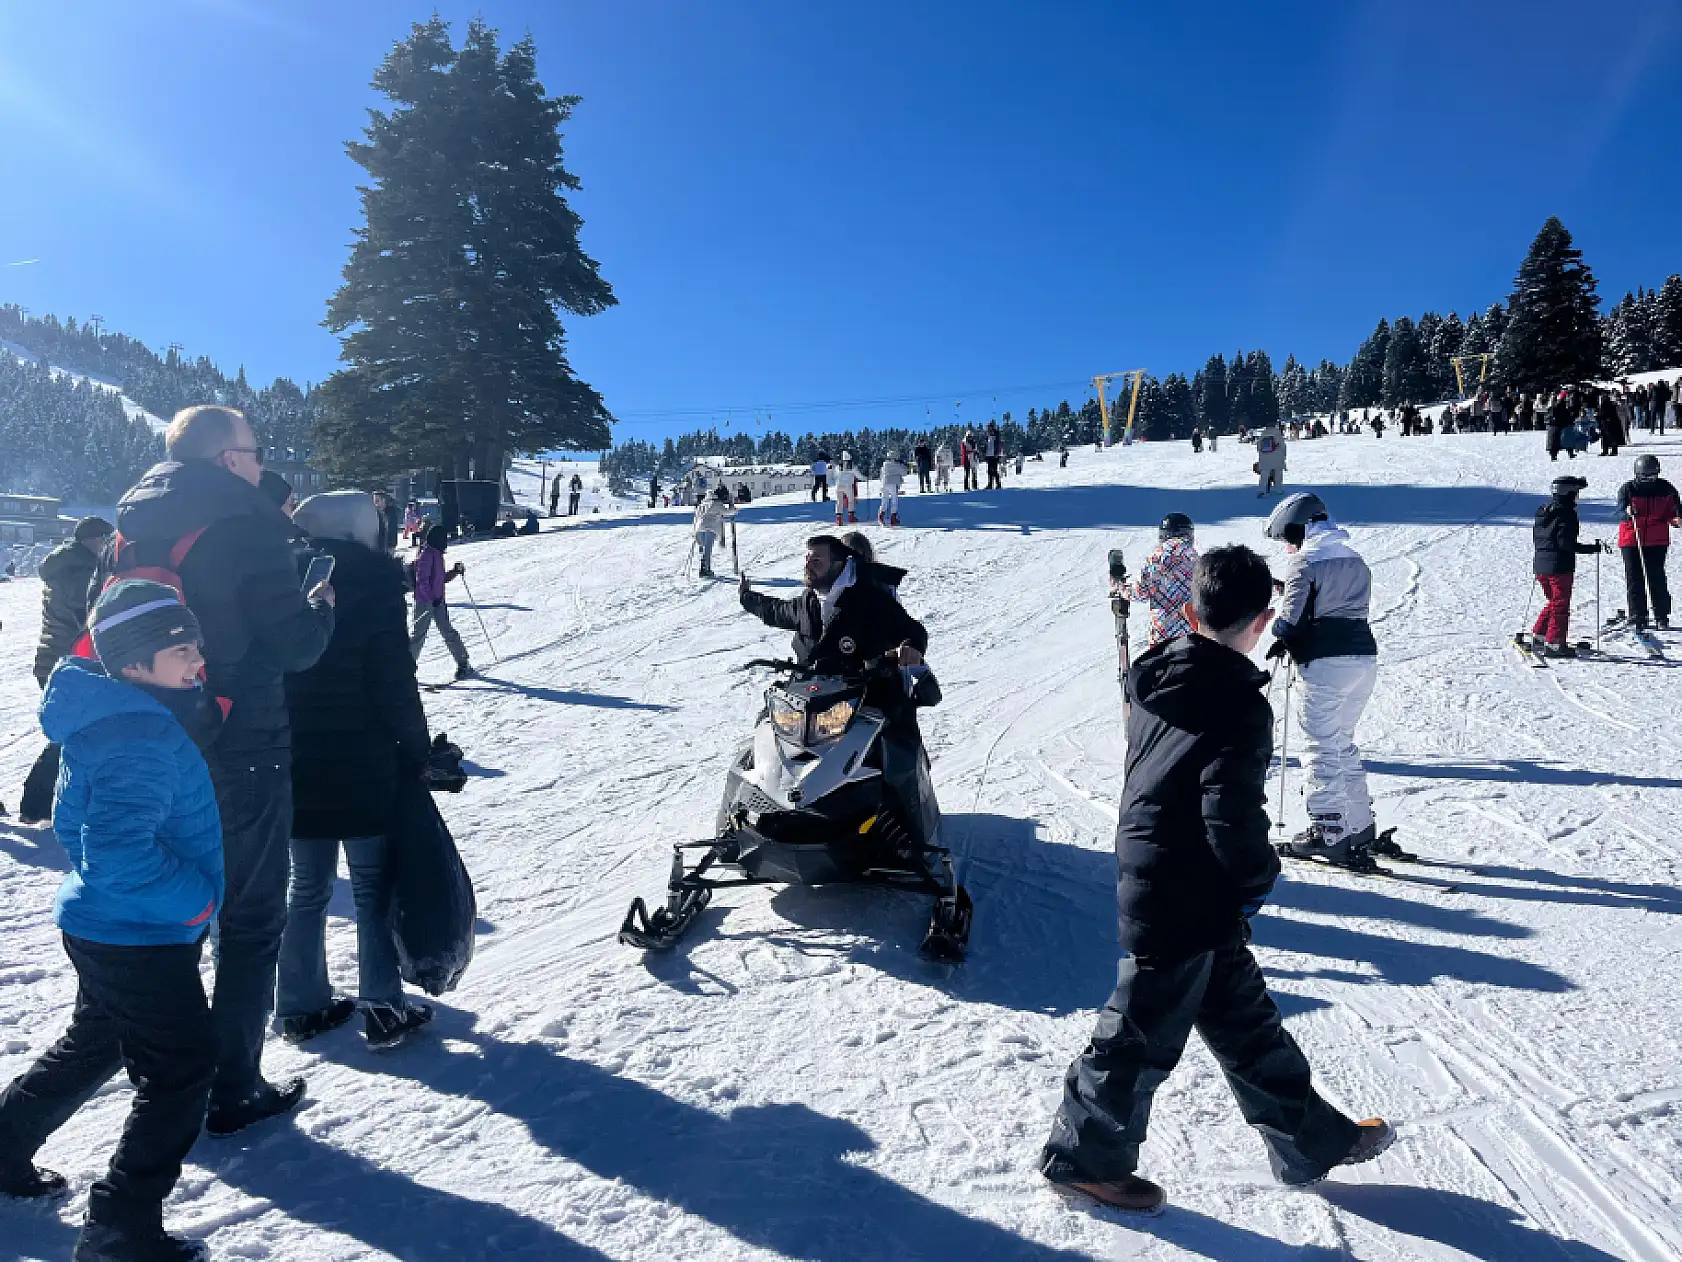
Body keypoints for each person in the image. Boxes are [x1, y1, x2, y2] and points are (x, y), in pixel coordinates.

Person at [1040, 546, 1392, 1214]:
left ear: (1189, 608)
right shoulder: (1235, 700)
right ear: (1263, 620)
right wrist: (1257, 876)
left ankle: (1309, 1141)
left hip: (1161, 871)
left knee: (1244, 1020)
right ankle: (1082, 1159)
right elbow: (1228, 814)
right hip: (1181, 887)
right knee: (1138, 1033)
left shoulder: (1157, 674)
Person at [106, 404, 334, 1137]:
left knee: (174, 914)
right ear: (229, 458)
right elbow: (293, 644)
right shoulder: (248, 519)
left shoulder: (132, 523)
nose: (264, 463)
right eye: (256, 450)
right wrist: (320, 608)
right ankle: (232, 1086)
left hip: (157, 738)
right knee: (252, 917)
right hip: (245, 742)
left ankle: (165, 1079)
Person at [0, 580, 224, 1261]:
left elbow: (93, 834)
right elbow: (121, 851)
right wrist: (194, 898)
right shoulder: (138, 732)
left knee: (96, 1042)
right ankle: (121, 1230)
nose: (196, 662)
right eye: (181, 650)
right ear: (132, 662)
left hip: (109, 923)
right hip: (141, 931)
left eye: (196, 647)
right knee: (182, 1067)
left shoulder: (111, 711)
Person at [278, 493, 435, 1050]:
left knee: (306, 888)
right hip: (362, 758)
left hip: (291, 756)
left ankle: (297, 1004)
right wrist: (420, 749)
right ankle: (382, 1008)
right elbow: (394, 679)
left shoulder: (280, 576)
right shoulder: (373, 582)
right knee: (371, 887)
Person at [738, 536, 932, 840]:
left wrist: (910, 647)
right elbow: (778, 611)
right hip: (811, 691)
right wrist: (748, 598)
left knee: (896, 740)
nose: (809, 565)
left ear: (840, 563)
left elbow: (910, 630)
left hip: (865, 688)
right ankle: (745, 817)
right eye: (807, 559)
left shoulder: (869, 599)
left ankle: (912, 832)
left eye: (817, 560)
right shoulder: (809, 600)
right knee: (767, 724)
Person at [1265, 494, 1382, 866]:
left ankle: (1329, 831)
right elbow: (1338, 605)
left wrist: (1279, 635)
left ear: (1299, 529)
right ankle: (1360, 825)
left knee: (1318, 745)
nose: (1287, 545)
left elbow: (1292, 621)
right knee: (1341, 742)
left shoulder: (1304, 562)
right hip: (1362, 658)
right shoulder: (1355, 559)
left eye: (1287, 536)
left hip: (1325, 662)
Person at [19, 516, 114, 824]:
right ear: (94, 540)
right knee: (70, 732)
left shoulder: (69, 564)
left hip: (56, 660)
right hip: (67, 663)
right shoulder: (79, 570)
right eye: (106, 540)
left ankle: (44, 801)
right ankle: (36, 803)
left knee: (74, 729)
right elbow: (91, 617)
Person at [1530, 475, 1602, 657]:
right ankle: (1554, 643)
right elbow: (1566, 543)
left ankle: (1539, 634)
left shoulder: (1543, 510)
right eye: (1576, 493)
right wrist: (1592, 548)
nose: (1577, 497)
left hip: (1541, 565)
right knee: (1560, 605)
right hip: (1559, 567)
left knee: (1554, 602)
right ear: (1568, 493)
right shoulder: (1567, 513)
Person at [1615, 454, 1682, 629]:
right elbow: (1619, 512)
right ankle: (1638, 615)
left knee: (1656, 577)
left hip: (1657, 540)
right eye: (1645, 476)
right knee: (1634, 577)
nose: (1649, 480)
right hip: (1632, 539)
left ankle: (1661, 615)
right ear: (1637, 474)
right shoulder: (1628, 489)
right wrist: (1627, 513)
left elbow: (1674, 512)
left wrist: (1676, 520)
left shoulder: (1666, 489)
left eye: (1653, 475)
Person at [1119, 514, 1198, 647]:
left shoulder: (1156, 560)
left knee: (1162, 666)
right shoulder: (1197, 560)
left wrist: (1123, 590)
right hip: (1192, 633)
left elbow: (1140, 593)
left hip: (1163, 634)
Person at [409, 524, 473, 678]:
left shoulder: (437, 554)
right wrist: (432, 599)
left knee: (448, 632)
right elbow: (421, 580)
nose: (446, 542)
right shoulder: (426, 554)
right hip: (425, 602)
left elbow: (440, 579)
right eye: (444, 539)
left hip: (438, 601)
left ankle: (463, 662)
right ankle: (407, 668)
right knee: (418, 636)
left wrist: (455, 572)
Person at [692, 485, 735, 578]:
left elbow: (696, 518)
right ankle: (706, 570)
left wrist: (694, 530)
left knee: (703, 549)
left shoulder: (701, 505)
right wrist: (733, 507)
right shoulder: (716, 504)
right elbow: (728, 512)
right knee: (708, 550)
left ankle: (703, 568)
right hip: (710, 528)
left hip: (699, 528)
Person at [1254, 424, 1286, 495]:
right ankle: (1278, 489)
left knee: (1264, 474)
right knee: (1278, 474)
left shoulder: (1263, 434)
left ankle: (1262, 490)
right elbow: (1283, 446)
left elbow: (1258, 448)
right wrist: (1284, 456)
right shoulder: (1277, 434)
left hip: (1265, 458)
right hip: (1277, 457)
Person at [879, 450, 907, 527]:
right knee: (894, 500)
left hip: (884, 483)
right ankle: (893, 518)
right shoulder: (896, 465)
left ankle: (881, 516)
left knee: (884, 500)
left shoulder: (885, 465)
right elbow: (904, 473)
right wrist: (903, 465)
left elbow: (881, 474)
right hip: (893, 484)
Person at [833, 456, 861, 526]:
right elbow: (858, 475)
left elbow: (835, 475)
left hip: (839, 485)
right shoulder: (852, 467)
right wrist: (865, 478)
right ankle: (851, 517)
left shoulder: (838, 467)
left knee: (839, 502)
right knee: (851, 501)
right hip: (848, 486)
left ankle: (839, 519)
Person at [983, 421, 1003, 490]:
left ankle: (998, 484)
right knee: (989, 470)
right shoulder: (987, 435)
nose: (988, 429)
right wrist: (985, 454)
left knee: (994, 470)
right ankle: (990, 484)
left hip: (994, 455)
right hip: (989, 455)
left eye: (989, 427)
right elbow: (986, 445)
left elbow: (998, 444)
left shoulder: (996, 434)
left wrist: (997, 453)